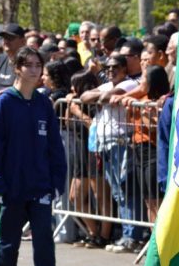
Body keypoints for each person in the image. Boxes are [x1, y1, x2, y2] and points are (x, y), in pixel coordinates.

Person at [0, 47, 67, 266]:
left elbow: (55, 147)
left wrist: (57, 181)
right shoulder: (5, 103)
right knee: (8, 245)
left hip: (40, 186)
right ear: (17, 68)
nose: (34, 70)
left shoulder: (43, 104)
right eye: (28, 65)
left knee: (44, 243)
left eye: (38, 65)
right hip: (12, 187)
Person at [79, 55, 145, 253]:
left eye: (115, 67)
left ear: (124, 69)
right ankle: (127, 235)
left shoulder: (130, 83)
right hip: (104, 145)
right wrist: (102, 96)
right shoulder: (107, 85)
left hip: (121, 143)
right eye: (107, 68)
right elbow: (84, 97)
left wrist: (102, 96)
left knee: (125, 191)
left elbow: (111, 95)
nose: (110, 71)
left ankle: (131, 236)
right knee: (117, 192)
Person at [64, 70, 112, 249]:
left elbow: (93, 125)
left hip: (94, 152)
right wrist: (71, 107)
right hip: (79, 154)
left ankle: (104, 235)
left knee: (101, 196)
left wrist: (77, 111)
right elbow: (68, 124)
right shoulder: (74, 101)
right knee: (74, 197)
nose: (71, 88)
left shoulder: (93, 104)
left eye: (74, 84)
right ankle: (93, 232)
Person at [121, 65, 170, 224]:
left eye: (143, 78)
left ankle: (162, 241)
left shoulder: (161, 102)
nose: (140, 82)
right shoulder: (141, 100)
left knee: (158, 201)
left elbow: (155, 129)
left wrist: (144, 112)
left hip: (154, 152)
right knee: (148, 200)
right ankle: (153, 239)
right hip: (138, 151)